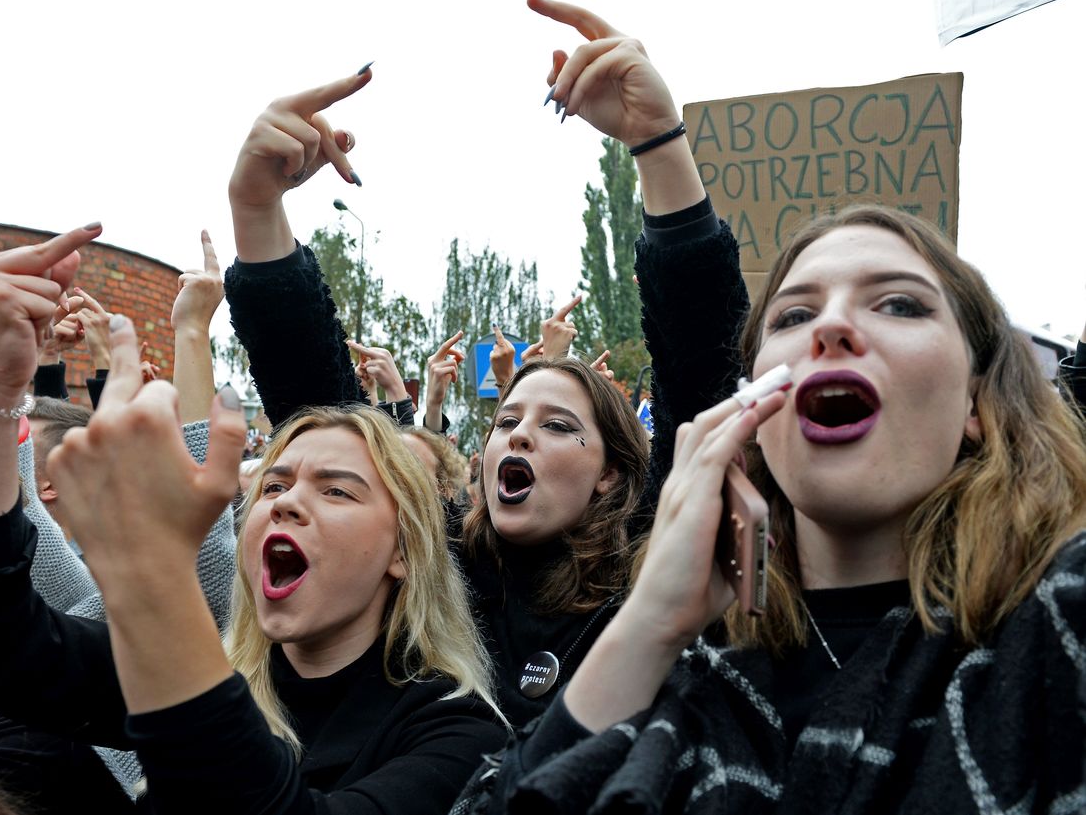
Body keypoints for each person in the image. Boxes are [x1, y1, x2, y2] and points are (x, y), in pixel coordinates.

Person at [222, 0, 749, 725]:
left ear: (612, 477)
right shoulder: (440, 565)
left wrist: (659, 142)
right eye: (506, 421)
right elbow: (328, 416)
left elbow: (701, 364)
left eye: (559, 426)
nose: (517, 436)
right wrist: (256, 210)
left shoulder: (653, 565)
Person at [459, 202, 1086, 814]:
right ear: (753, 407)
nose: (830, 328)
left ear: (976, 402)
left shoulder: (1061, 612)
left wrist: (658, 148)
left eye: (898, 304)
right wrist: (648, 627)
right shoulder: (683, 657)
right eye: (793, 316)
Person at [0, 226, 505, 814]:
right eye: (274, 483)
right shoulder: (208, 669)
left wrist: (156, 575)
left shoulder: (459, 736)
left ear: (405, 551)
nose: (286, 503)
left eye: (337, 491)